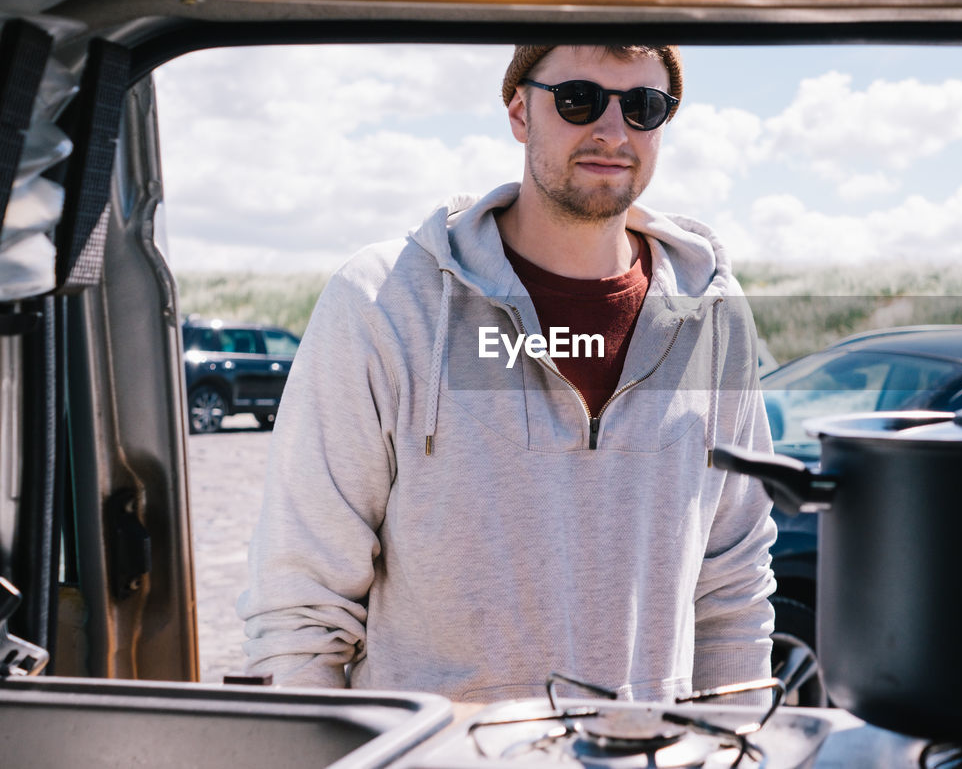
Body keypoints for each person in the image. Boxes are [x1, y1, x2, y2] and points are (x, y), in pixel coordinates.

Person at [237, 44, 778, 703]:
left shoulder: (717, 317)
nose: (613, 131)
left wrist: (736, 743)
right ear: (520, 111)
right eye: (579, 99)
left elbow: (733, 586)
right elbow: (300, 602)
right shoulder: (382, 302)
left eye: (643, 106)